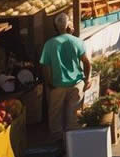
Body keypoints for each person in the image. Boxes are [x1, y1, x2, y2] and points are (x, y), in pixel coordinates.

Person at [39, 12, 91, 140]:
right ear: (68, 26)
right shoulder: (77, 42)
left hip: (57, 86)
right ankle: (74, 143)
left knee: (55, 118)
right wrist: (87, 79)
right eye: (71, 22)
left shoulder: (49, 44)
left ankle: (59, 144)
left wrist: (49, 83)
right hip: (76, 85)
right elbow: (87, 62)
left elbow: (45, 67)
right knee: (74, 117)